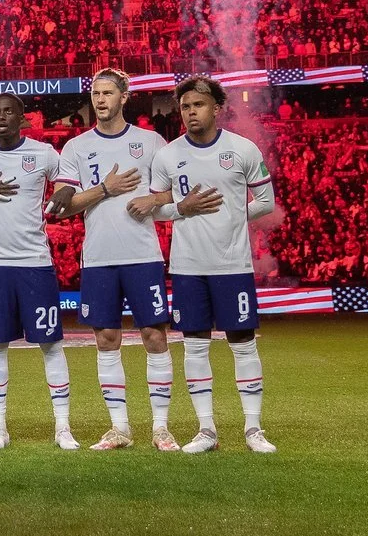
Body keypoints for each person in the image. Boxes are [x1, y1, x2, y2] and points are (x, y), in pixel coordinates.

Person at [138, 75, 278, 454]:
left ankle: (253, 429)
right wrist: (181, 208)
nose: (190, 112)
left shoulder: (243, 149)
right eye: (185, 107)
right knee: (195, 346)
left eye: (198, 105)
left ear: (216, 108)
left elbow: (266, 202)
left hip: (233, 266)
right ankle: (206, 430)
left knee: (243, 344)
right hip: (188, 267)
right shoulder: (168, 155)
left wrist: (234, 216)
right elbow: (156, 210)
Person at [49, 70, 176, 452]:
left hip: (142, 256)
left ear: (124, 97)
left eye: (107, 93)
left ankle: (161, 428)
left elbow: (173, 190)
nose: (100, 99)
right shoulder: (75, 148)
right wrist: (106, 189)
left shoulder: (151, 142)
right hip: (99, 258)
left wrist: (153, 200)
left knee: (154, 336)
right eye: (95, 93)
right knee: (106, 339)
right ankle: (119, 428)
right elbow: (62, 207)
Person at [0, 93, 77, 450]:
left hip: (35, 263)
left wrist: (64, 188)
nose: (0, 117)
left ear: (21, 117)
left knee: (50, 344)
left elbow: (68, 180)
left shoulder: (43, 153)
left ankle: (63, 427)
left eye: (8, 112)